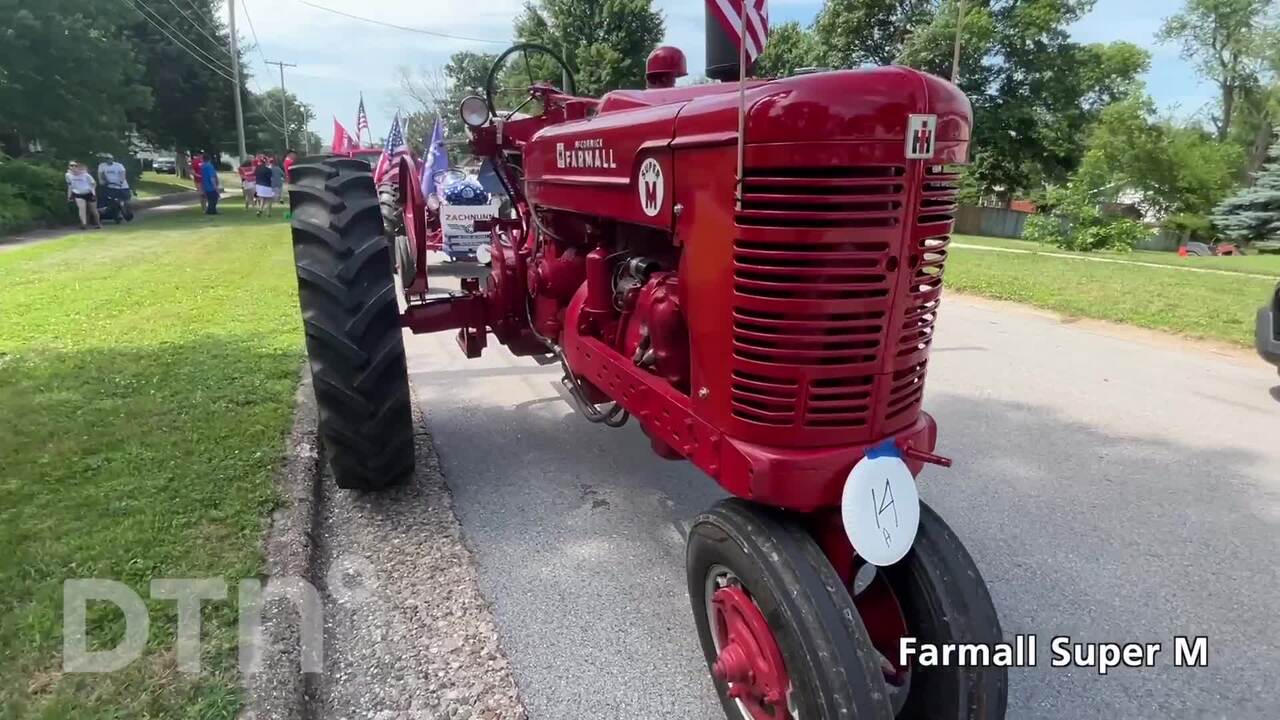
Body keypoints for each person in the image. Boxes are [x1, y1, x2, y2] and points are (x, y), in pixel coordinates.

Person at [65, 161, 102, 229]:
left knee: (93, 210)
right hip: (77, 193)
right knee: (81, 208)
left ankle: (98, 223)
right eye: (71, 165)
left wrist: (93, 193)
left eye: (75, 166)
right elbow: (70, 186)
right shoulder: (68, 175)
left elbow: (93, 184)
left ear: (78, 167)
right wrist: (69, 196)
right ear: (69, 167)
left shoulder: (85, 175)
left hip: (88, 193)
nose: (73, 167)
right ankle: (84, 224)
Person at [97, 153, 132, 220]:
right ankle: (117, 214)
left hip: (122, 186)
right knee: (113, 201)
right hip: (111, 186)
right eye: (106, 159)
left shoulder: (119, 165)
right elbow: (100, 175)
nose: (108, 160)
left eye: (109, 159)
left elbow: (123, 174)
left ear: (112, 159)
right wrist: (101, 181)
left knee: (126, 201)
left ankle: (126, 212)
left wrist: (120, 182)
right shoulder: (102, 166)